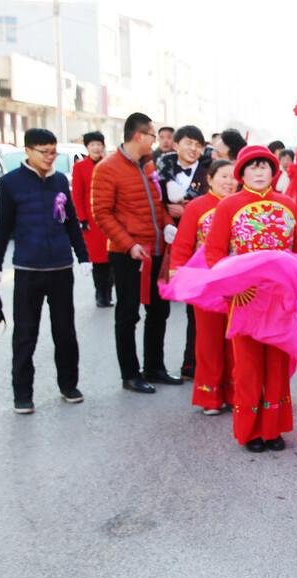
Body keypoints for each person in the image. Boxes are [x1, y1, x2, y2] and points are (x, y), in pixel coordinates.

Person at [203, 145, 297, 451]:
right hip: (246, 298)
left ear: (274, 172)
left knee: (277, 363)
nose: (260, 172)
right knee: (249, 366)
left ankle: (272, 429)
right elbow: (214, 253)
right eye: (253, 167)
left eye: (265, 166)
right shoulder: (229, 206)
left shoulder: (287, 205)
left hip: (281, 298)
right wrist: (232, 287)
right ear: (242, 173)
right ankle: (250, 432)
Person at [0, 128, 92, 414]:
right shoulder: (10, 183)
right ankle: (22, 394)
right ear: (28, 151)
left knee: (65, 331)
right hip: (27, 268)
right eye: (44, 152)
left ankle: (69, 385)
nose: (50, 157)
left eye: (53, 152)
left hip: (60, 267)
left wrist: (82, 256)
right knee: (25, 333)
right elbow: (3, 226)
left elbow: (71, 220)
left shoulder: (60, 180)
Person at [90, 112, 178, 394]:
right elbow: (102, 214)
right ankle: (130, 373)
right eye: (154, 135)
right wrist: (129, 244)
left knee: (159, 310)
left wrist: (166, 226)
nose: (157, 141)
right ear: (139, 136)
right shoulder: (107, 168)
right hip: (128, 253)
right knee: (128, 314)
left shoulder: (148, 166)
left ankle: (155, 366)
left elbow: (158, 203)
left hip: (156, 250)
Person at [166, 159, 237, 415]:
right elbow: (183, 244)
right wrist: (180, 277)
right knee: (208, 340)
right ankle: (210, 397)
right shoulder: (197, 207)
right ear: (210, 179)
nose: (229, 182)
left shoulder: (241, 205)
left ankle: (234, 392)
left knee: (234, 340)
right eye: (223, 176)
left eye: (233, 177)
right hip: (205, 283)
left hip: (236, 284)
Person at [157, 125, 213, 379]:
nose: (193, 149)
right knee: (158, 310)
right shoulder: (161, 169)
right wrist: (168, 220)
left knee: (197, 309)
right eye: (189, 143)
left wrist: (188, 209)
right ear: (176, 144)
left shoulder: (208, 172)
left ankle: (191, 364)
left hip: (199, 248)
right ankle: (154, 366)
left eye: (198, 145)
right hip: (166, 243)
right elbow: (155, 203)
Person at [71, 131, 112, 307]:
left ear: (103, 146)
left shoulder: (109, 164)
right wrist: (82, 218)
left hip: (110, 218)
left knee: (112, 258)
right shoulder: (80, 167)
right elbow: (77, 195)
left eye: (98, 144)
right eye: (92, 145)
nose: (96, 147)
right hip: (92, 221)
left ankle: (108, 293)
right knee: (98, 260)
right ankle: (100, 293)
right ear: (87, 147)